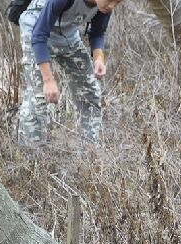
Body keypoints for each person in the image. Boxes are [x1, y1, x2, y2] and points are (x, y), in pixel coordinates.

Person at [17, 0, 124, 146]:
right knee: (39, 95)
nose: (112, 6)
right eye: (110, 0)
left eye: (117, 2)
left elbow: (97, 32)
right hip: (36, 31)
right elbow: (39, 35)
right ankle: (31, 156)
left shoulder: (104, 6)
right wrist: (48, 80)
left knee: (90, 91)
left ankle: (90, 150)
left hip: (67, 35)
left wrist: (99, 58)